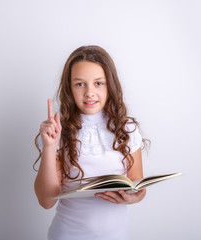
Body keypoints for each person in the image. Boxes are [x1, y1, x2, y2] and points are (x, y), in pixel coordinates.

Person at [34, 45, 148, 240]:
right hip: (68, 234)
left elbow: (137, 185)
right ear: (69, 88)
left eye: (98, 83)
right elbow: (46, 201)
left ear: (109, 85)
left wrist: (134, 197)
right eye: (80, 84)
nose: (89, 93)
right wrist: (50, 146)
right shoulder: (59, 130)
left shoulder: (126, 129)